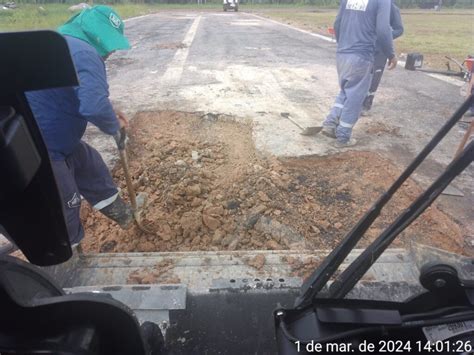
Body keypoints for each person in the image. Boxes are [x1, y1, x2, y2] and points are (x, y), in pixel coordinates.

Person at [26, 6, 138, 245]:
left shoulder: (62, 43)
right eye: (109, 44)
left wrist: (110, 112)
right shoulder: (85, 53)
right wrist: (115, 128)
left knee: (91, 164)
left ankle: (123, 215)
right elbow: (94, 106)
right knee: (65, 203)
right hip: (41, 148)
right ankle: (68, 263)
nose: (110, 51)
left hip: (54, 139)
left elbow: (80, 95)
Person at [322, 0, 398, 147]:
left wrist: (343, 46)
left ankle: (330, 123)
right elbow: (383, 30)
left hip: (342, 54)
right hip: (362, 55)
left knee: (345, 91)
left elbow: (337, 23)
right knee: (355, 97)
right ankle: (343, 137)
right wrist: (391, 54)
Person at [362, 1, 404, 115]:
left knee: (374, 78)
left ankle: (366, 105)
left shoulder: (391, 8)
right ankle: (354, 102)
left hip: (380, 51)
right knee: (359, 76)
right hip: (364, 47)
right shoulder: (368, 3)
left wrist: (385, 36)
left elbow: (399, 29)